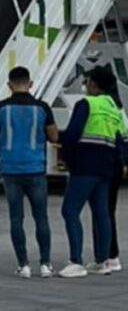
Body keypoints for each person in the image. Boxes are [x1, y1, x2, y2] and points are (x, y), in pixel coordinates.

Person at [0, 66, 58, 279]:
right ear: (31, 83)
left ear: (9, 85)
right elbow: (54, 136)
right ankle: (45, 264)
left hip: (10, 169)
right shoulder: (42, 107)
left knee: (16, 218)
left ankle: (23, 264)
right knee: (41, 218)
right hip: (35, 168)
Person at [58, 66, 127, 278]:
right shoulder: (115, 109)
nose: (86, 86)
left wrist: (66, 158)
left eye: (87, 82)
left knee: (70, 211)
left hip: (85, 166)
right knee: (102, 214)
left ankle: (76, 261)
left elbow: (72, 134)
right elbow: (122, 141)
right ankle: (102, 260)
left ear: (94, 84)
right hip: (106, 169)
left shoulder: (86, 104)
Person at [96, 69, 126, 272]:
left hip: (98, 165)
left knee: (101, 212)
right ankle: (110, 255)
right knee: (108, 210)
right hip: (114, 164)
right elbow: (123, 138)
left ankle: (106, 255)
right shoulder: (117, 107)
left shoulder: (94, 105)